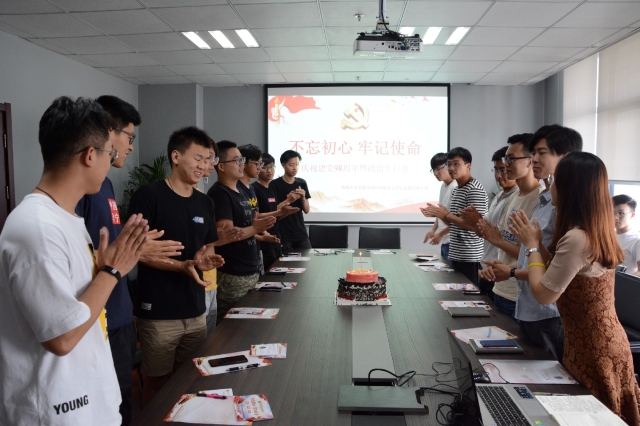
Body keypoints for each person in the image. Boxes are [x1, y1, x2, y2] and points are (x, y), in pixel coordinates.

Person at [0, 96, 149, 426]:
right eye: (110, 153)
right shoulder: (36, 227)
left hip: (89, 402)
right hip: (56, 411)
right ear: (90, 155)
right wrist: (112, 270)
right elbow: (61, 336)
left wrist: (107, 263)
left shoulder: (66, 218)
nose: (112, 161)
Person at [509, 152, 640, 425]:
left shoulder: (578, 237)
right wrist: (536, 244)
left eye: (555, 180)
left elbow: (544, 294)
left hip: (594, 347)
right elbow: (558, 270)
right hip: (599, 342)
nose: (551, 186)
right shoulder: (592, 229)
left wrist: (532, 247)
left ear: (571, 188)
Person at [128, 126, 234, 407]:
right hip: (159, 312)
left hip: (195, 309)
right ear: (176, 156)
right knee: (158, 383)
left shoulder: (205, 203)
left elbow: (207, 248)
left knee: (191, 379)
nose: (204, 165)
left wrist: (205, 261)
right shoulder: (149, 196)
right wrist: (181, 266)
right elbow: (134, 253)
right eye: (198, 158)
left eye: (208, 159)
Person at [483, 125, 582, 362]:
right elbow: (541, 256)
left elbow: (553, 268)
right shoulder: (546, 199)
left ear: (566, 157)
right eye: (533, 153)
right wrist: (512, 266)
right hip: (528, 306)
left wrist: (513, 270)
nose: (534, 159)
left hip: (548, 313)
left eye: (541, 153)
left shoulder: (567, 207)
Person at [207, 141, 276, 324]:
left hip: (249, 269)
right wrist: (255, 228)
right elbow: (227, 234)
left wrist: (258, 231)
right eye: (236, 160)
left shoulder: (242, 191)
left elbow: (247, 226)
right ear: (221, 166)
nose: (242, 164)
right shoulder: (220, 193)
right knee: (233, 329)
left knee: (249, 326)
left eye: (242, 160)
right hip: (233, 274)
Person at [477, 134, 541, 316]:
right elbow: (506, 241)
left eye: (511, 159)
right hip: (501, 288)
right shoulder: (514, 196)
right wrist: (497, 265)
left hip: (518, 295)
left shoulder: (540, 199)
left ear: (530, 161)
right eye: (506, 159)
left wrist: (498, 242)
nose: (506, 165)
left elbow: (533, 255)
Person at [459, 146, 518, 300]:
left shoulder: (517, 196)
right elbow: (485, 233)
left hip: (501, 271)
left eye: (503, 169)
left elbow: (498, 236)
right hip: (488, 268)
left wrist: (478, 222)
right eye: (496, 170)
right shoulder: (499, 196)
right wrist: (475, 222)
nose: (498, 175)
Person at [423, 147, 488, 285]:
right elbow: (456, 224)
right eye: (449, 164)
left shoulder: (474, 189)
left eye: (456, 164)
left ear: (468, 165)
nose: (451, 168)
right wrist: (441, 215)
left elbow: (475, 226)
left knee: (469, 295)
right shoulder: (458, 189)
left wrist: (446, 214)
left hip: (470, 257)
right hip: (457, 254)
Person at [252, 152, 300, 271]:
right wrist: (279, 212)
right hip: (263, 238)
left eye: (272, 167)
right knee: (267, 274)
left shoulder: (272, 187)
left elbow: (275, 210)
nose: (269, 171)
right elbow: (255, 216)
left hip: (276, 236)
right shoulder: (254, 189)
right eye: (265, 167)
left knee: (278, 272)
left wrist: (285, 212)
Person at [270, 150, 311, 250]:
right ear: (283, 165)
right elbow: (273, 210)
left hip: (300, 233)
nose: (295, 168)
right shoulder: (274, 184)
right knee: (284, 259)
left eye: (297, 164)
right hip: (283, 234)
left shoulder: (302, 183)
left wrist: (303, 198)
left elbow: (306, 210)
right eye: (291, 165)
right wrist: (289, 200)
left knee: (307, 257)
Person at [422, 152, 457, 262]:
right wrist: (433, 230)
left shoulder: (456, 187)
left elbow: (458, 221)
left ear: (448, 166)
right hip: (445, 242)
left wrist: (440, 234)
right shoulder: (443, 186)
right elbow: (440, 213)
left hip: (453, 242)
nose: (435, 173)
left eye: (438, 169)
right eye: (433, 170)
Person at [613, 194, 640, 275]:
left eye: (621, 213)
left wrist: (622, 279)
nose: (615, 217)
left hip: (623, 281)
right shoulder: (606, 235)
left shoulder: (637, 240)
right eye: (612, 212)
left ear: (632, 215)